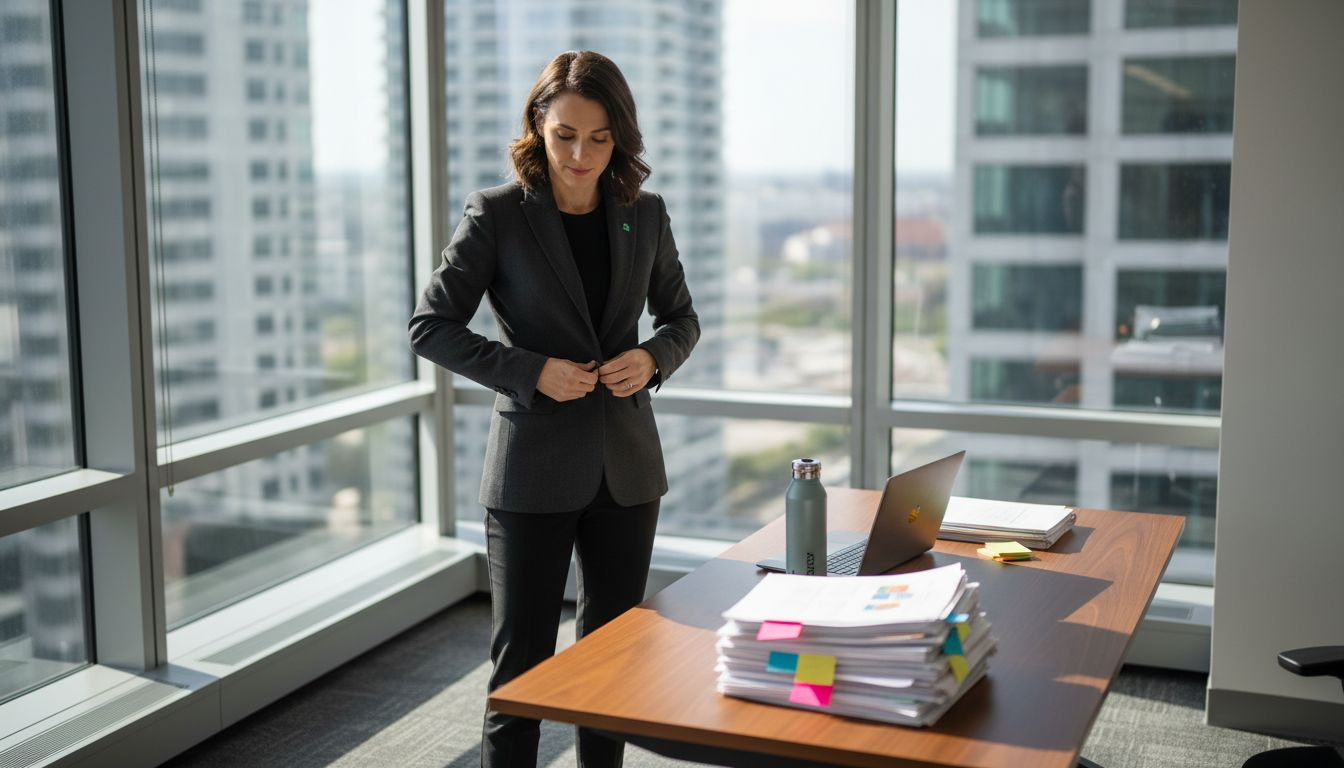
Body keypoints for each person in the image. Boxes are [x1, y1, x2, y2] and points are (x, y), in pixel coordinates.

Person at [407, 50, 699, 768]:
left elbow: (682, 319)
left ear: (619, 137)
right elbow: (430, 327)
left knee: (613, 663)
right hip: (531, 470)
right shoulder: (498, 214)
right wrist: (531, 371)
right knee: (523, 671)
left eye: (599, 138)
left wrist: (652, 358)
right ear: (538, 125)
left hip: (627, 468)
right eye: (565, 135)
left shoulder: (645, 214)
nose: (579, 156)